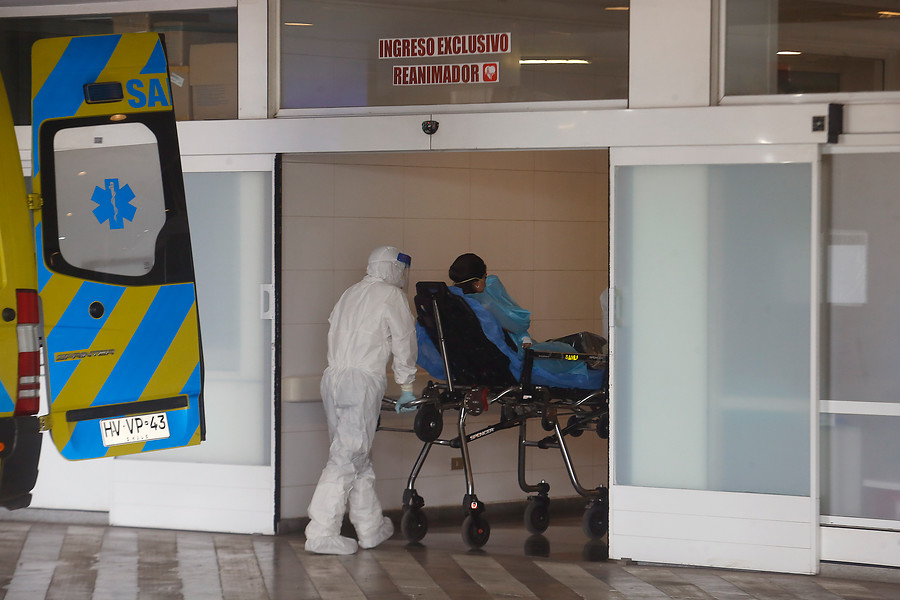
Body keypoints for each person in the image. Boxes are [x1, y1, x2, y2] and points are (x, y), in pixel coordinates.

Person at [305, 246, 418, 555]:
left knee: (358, 455)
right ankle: (321, 532)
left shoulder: (350, 293)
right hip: (362, 382)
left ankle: (370, 527)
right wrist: (406, 385)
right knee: (347, 456)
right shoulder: (392, 296)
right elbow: (404, 340)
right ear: (393, 269)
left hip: (333, 379)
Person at [448, 253, 605, 375]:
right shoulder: (485, 304)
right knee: (572, 353)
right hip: (518, 361)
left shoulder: (455, 302)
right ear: (477, 283)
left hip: (480, 363)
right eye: (485, 277)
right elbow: (519, 324)